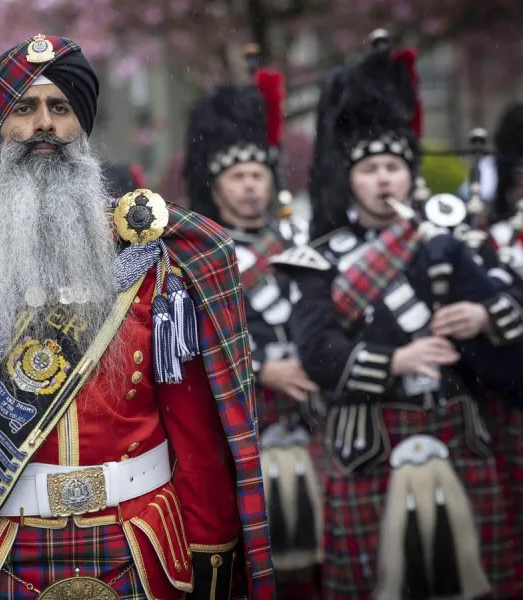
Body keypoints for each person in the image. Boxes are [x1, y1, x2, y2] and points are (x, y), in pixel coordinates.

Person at [0, 33, 275, 600]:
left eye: (60, 107)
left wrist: (212, 551)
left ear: (82, 126)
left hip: (141, 550)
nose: (43, 124)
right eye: (24, 108)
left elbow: (195, 431)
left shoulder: (149, 252)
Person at [272, 31, 523, 600]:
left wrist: (485, 320)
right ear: (349, 180)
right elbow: (318, 353)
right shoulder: (320, 260)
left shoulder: (454, 242)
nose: (384, 178)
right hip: (370, 442)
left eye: (394, 165)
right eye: (370, 169)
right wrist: (396, 358)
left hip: (460, 432)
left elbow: (514, 307)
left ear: (411, 173)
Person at [184, 71, 324, 599]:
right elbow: (192, 344)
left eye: (257, 174)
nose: (249, 186)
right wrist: (263, 368)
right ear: (215, 184)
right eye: (237, 175)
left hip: (306, 429)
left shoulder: (296, 248)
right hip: (243, 431)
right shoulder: (199, 258)